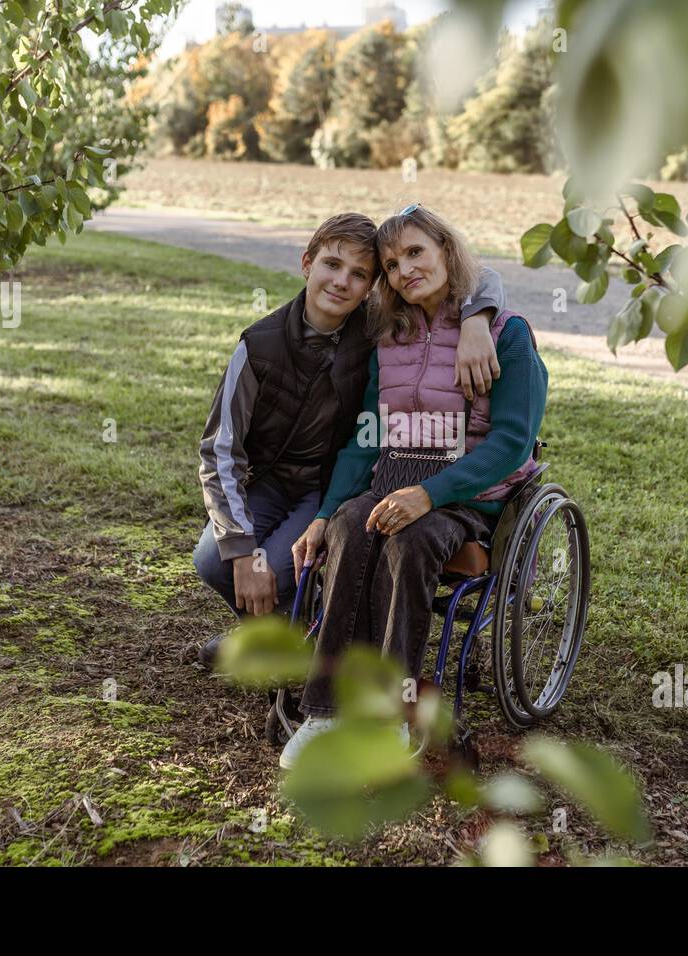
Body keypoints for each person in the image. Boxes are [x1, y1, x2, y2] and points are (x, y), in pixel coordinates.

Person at [279, 204, 548, 769]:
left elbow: (511, 445)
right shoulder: (389, 336)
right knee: (355, 525)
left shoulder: (506, 332)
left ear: (446, 251)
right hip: (394, 479)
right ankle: (324, 713)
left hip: (468, 497)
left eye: (416, 253)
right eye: (392, 263)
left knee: (410, 540)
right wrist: (326, 515)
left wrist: (428, 496)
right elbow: (367, 438)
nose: (404, 270)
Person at [193, 212, 507, 665]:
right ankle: (280, 637)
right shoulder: (258, 346)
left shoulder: (375, 330)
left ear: (372, 288)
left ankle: (304, 640)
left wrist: (478, 319)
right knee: (213, 560)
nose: (342, 282)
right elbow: (219, 450)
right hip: (274, 481)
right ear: (307, 263)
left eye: (360, 275)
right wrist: (241, 552)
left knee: (281, 568)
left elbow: (478, 273)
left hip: (331, 485)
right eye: (332, 265)